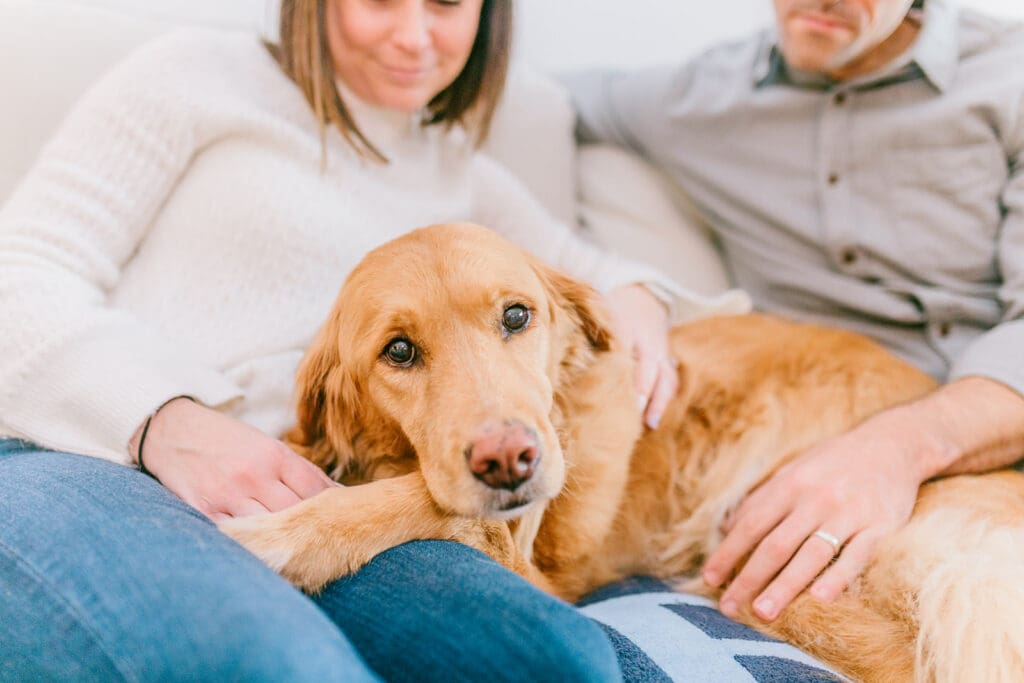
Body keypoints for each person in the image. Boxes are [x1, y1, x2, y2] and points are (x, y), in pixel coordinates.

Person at [0, 0, 701, 679]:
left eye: (447, 4)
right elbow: (18, 271)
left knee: (557, 663)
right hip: (92, 453)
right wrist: (165, 420)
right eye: (379, 0)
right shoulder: (194, 74)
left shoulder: (469, 178)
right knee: (281, 666)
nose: (414, 36)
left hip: (312, 490)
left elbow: (595, 277)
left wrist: (640, 299)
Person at [566, 0, 1024, 625]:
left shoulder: (1009, 75)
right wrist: (627, 286)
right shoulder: (700, 96)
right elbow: (507, 93)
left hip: (984, 442)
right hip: (793, 425)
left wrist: (896, 450)